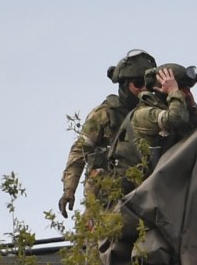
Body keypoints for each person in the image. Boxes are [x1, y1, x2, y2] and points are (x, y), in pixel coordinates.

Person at [59, 49, 159, 217]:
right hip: (105, 196)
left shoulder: (153, 113)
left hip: (145, 192)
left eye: (147, 84)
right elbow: (79, 151)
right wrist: (69, 190)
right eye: (137, 84)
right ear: (124, 85)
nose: (143, 89)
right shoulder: (104, 114)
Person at [120, 63, 197, 176]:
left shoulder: (180, 111)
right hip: (140, 186)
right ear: (163, 90)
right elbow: (176, 119)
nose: (186, 93)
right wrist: (173, 91)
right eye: (182, 89)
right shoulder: (144, 114)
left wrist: (193, 107)